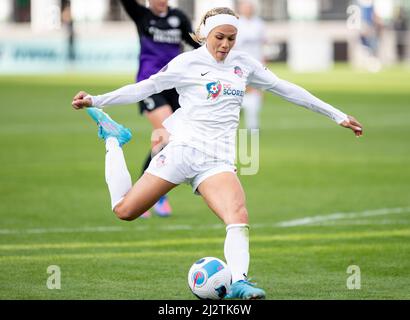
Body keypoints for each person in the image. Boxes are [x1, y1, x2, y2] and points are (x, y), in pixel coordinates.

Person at [72, 7, 363, 299]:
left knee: (238, 215)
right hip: (181, 151)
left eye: (231, 38)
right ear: (204, 35)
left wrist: (337, 115)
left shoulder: (243, 64)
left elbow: (287, 89)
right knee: (125, 211)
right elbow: (143, 88)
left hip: (216, 159)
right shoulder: (187, 62)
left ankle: (239, 282)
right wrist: (97, 100)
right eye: (219, 37)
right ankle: (112, 137)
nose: (225, 44)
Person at [119, 0, 200, 218]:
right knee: (167, 135)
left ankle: (142, 193)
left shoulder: (179, 18)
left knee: (167, 139)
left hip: (175, 85)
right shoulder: (142, 15)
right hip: (150, 84)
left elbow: (195, 44)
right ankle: (153, 195)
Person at [235, 0, 265, 130]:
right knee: (238, 92)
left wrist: (264, 62)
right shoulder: (236, 24)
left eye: (250, 7)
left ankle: (253, 126)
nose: (248, 9)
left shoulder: (260, 24)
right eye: (245, 7)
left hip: (256, 64)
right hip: (239, 65)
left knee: (255, 93)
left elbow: (263, 45)